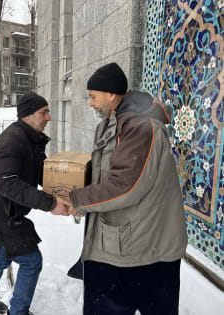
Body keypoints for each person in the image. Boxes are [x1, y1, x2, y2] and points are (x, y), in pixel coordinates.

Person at [65, 63, 188, 315]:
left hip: (136, 252)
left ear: (111, 94)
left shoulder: (141, 128)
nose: (90, 103)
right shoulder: (116, 123)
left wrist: (77, 200)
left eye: (92, 96)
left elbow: (125, 186)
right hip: (124, 243)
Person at [0, 91, 69, 315]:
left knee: (1, 254)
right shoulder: (13, 141)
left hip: (0, 213)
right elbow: (8, 185)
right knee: (31, 261)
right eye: (43, 112)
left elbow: (42, 174)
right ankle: (18, 312)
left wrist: (67, 190)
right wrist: (50, 203)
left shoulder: (29, 139)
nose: (48, 118)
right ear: (27, 115)